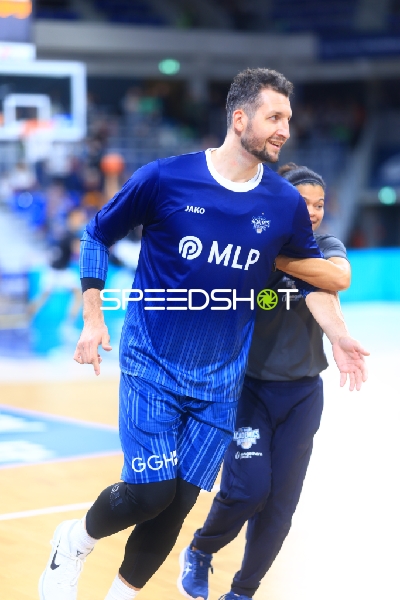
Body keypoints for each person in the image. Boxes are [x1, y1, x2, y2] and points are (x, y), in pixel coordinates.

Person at [39, 68, 367, 600]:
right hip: (152, 362)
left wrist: (338, 334)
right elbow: (97, 233)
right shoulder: (165, 178)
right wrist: (93, 316)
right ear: (239, 119)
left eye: (288, 118)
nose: (285, 129)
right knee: (150, 493)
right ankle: (73, 542)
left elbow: (311, 279)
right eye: (274, 117)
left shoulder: (283, 203)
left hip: (220, 381)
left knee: (178, 506)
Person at [177, 163, 364, 600]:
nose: (313, 212)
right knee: (248, 491)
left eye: (319, 204)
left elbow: (335, 283)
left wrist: (339, 337)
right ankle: (201, 550)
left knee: (280, 507)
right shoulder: (245, 248)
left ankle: (242, 591)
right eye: (304, 203)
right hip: (250, 391)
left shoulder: (324, 248)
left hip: (303, 395)